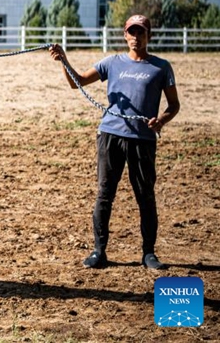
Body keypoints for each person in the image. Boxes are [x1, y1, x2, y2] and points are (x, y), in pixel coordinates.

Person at [48, 15, 180, 270]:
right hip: (110, 135)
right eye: (131, 32)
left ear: (148, 35)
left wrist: (161, 121)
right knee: (105, 194)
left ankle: (148, 253)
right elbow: (78, 82)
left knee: (145, 196)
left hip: (142, 139)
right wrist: (63, 60)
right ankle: (99, 251)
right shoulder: (112, 63)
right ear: (125, 35)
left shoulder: (162, 67)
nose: (135, 37)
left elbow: (174, 104)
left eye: (141, 32)